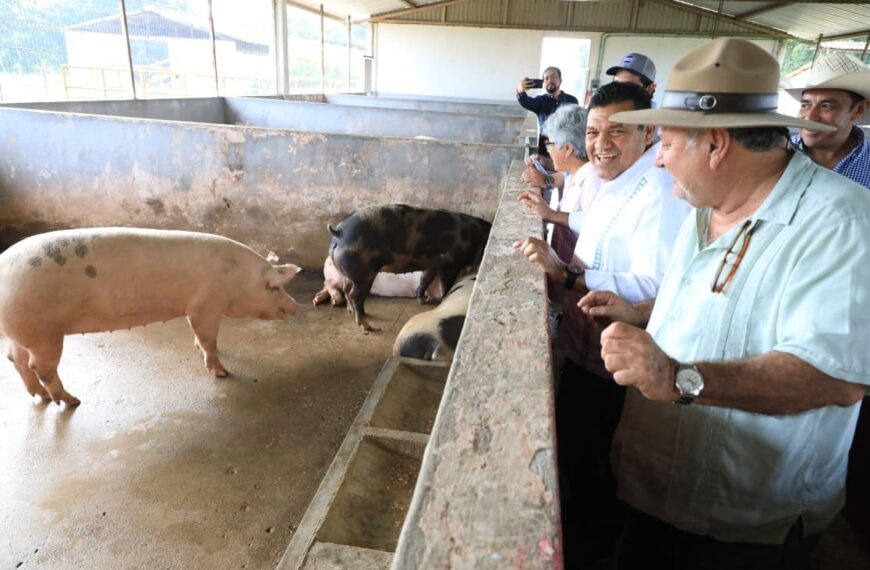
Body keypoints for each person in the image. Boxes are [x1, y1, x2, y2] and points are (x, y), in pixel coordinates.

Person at [578, 37, 870, 569]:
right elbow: (713, 302)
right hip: (655, 485)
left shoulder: (841, 222)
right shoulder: (704, 206)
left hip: (744, 523)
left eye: (665, 143)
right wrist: (639, 312)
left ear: (715, 144)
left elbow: (836, 375)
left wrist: (681, 378)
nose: (659, 161)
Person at [513, 80, 690, 566]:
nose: (601, 143)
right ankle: (587, 530)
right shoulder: (616, 179)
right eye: (594, 132)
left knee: (593, 451)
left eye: (618, 132)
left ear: (647, 131)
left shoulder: (658, 192)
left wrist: (568, 276)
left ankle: (595, 543)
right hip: (591, 343)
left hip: (619, 353)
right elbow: (592, 229)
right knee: (576, 444)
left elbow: (654, 283)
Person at [785, 51, 870, 188]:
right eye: (805, 105)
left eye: (826, 106)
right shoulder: (777, 155)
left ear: (857, 111)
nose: (810, 117)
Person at [517, 66, 579, 159]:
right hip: (546, 151)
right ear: (543, 82)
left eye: (553, 77)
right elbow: (526, 102)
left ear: (560, 80)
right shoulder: (540, 101)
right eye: (546, 78)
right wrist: (520, 91)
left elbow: (576, 124)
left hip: (567, 151)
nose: (550, 80)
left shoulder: (572, 100)